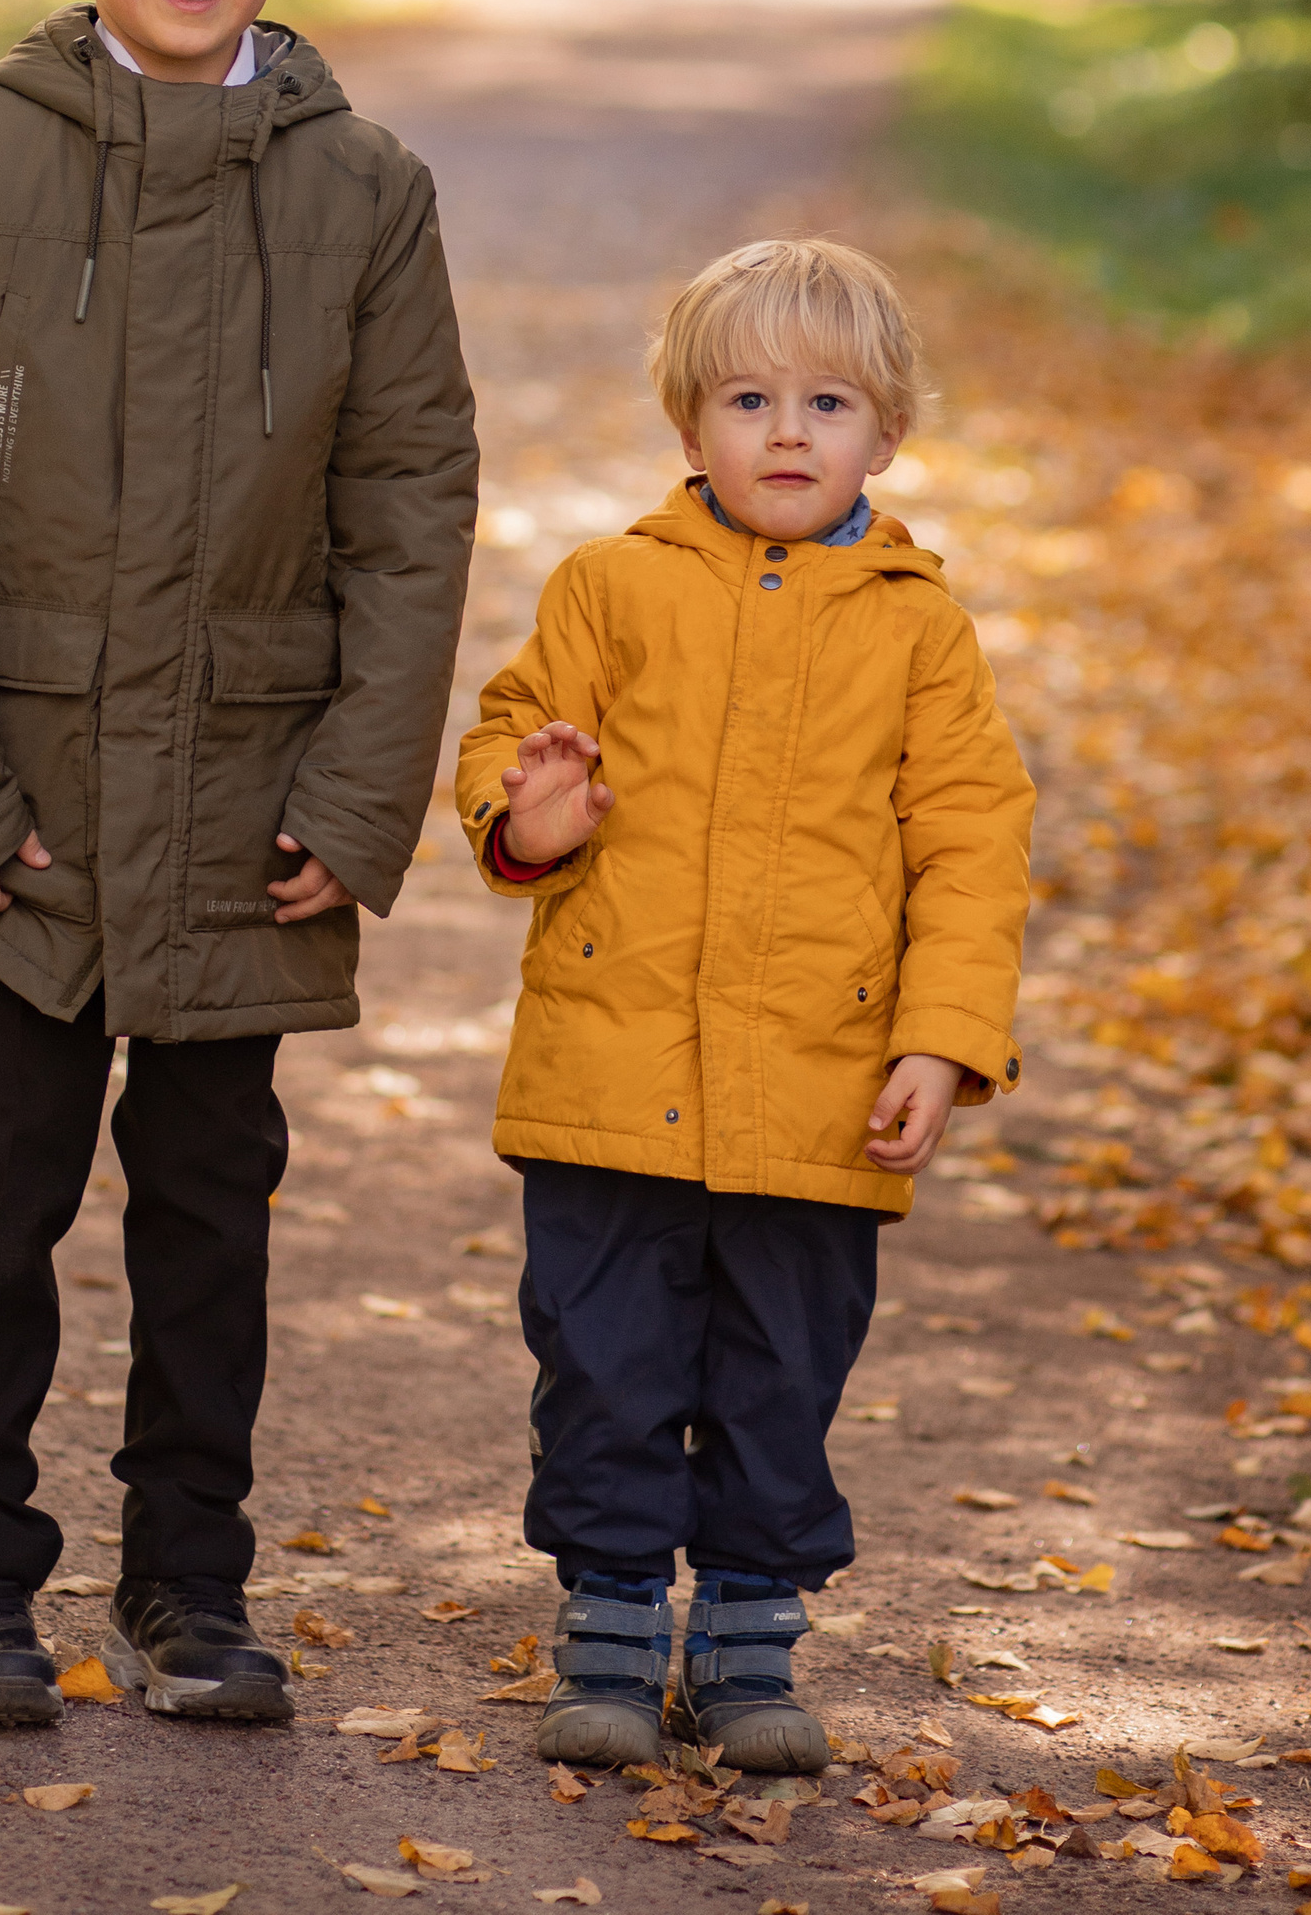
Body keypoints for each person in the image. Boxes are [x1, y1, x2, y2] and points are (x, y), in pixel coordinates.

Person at [0, 0, 477, 1733]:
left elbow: (411, 502)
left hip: (245, 802)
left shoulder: (366, 194)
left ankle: (190, 1582)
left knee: (212, 1214)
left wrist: (360, 804)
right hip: (9, 806)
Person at [453, 237, 1033, 1776]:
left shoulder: (919, 627)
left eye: (827, 402)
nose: (789, 433)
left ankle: (752, 1637)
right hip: (609, 1067)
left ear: (886, 435)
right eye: (750, 400)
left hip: (820, 1083)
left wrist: (942, 1038)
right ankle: (613, 1624)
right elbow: (511, 738)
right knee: (605, 1357)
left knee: (781, 1366)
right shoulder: (612, 587)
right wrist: (534, 815)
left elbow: (972, 841)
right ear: (688, 429)